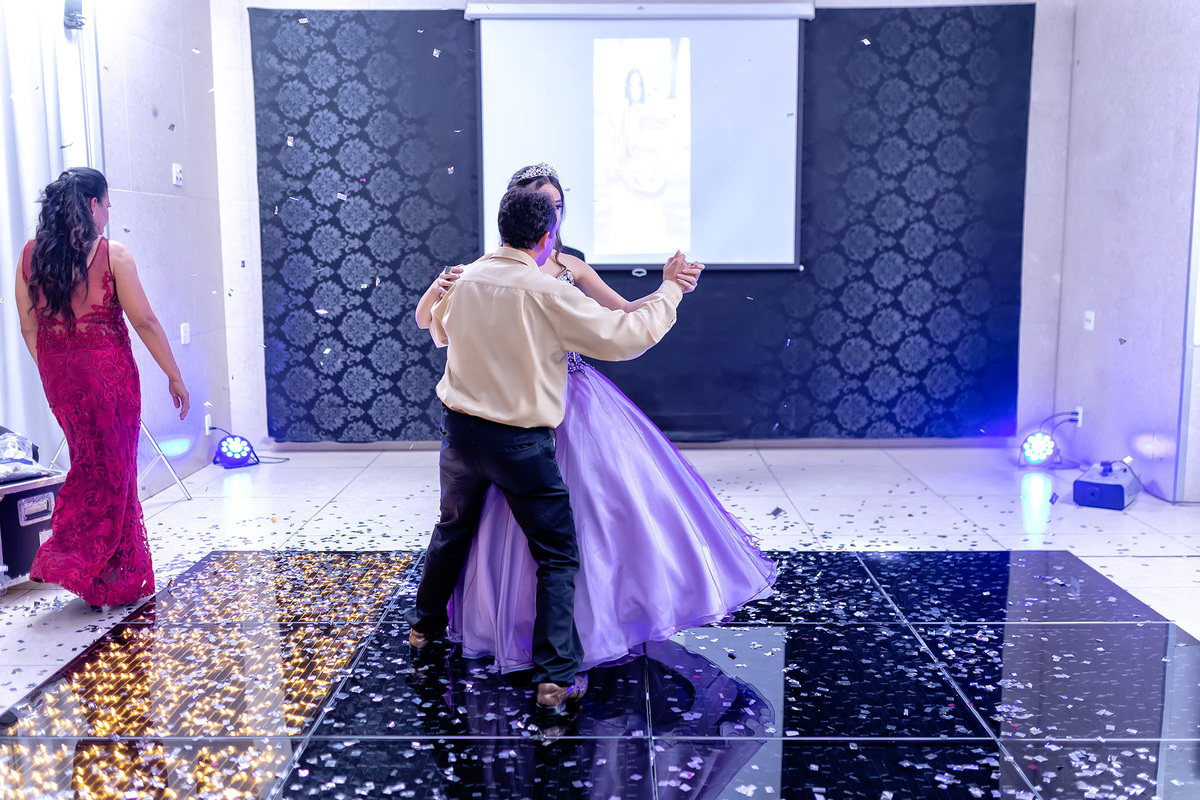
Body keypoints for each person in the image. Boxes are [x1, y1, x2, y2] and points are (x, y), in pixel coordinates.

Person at [414, 164, 775, 684]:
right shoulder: (544, 290)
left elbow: (440, 331)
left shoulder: (471, 277)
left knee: (452, 529)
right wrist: (671, 291)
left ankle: (423, 628)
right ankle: (554, 678)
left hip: (460, 431)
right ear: (544, 234)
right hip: (519, 437)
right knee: (557, 552)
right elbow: (624, 337)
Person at [13, 167, 189, 606]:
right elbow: (145, 321)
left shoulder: (30, 256)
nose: (109, 213)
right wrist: (174, 374)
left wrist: (54, 371)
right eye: (107, 205)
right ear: (92, 206)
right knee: (116, 472)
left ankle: (100, 572)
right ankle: (94, 569)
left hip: (60, 377)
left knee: (90, 465)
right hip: (108, 375)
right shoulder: (113, 254)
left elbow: (29, 327)